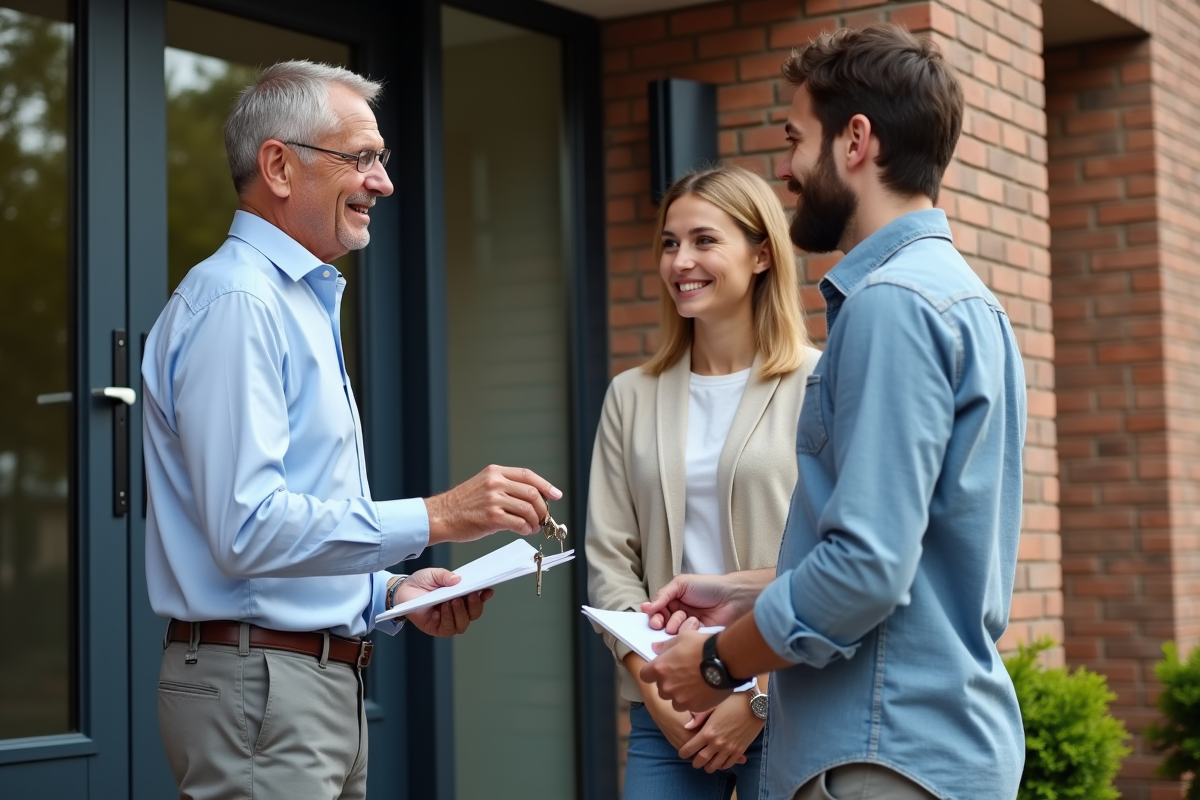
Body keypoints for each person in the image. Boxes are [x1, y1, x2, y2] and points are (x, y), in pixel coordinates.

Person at [142, 60, 562, 800]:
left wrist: (389, 594)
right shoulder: (241, 305)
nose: (383, 182)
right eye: (362, 158)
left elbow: (288, 520)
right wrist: (438, 516)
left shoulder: (295, 300)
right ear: (278, 165)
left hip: (300, 683)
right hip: (264, 690)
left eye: (383, 160)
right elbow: (246, 528)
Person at [640, 24, 1027, 800]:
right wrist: (749, 591)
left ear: (856, 141)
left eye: (794, 139)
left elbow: (867, 570)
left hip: (878, 757)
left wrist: (720, 661)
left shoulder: (892, 307)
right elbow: (911, 554)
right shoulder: (962, 298)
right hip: (912, 747)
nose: (785, 170)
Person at [585, 165, 820, 800]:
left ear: (762, 253)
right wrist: (655, 684)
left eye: (704, 240)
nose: (681, 260)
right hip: (671, 705)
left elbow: (833, 560)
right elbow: (610, 561)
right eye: (669, 242)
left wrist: (759, 697)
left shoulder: (819, 386)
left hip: (792, 701)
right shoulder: (630, 396)